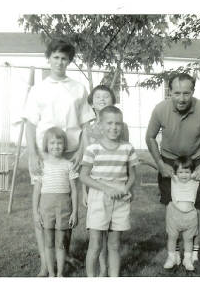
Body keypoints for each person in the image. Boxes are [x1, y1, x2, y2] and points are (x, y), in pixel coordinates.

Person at [23, 38, 95, 276]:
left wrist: (82, 152)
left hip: (71, 152)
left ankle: (65, 254)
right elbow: (31, 124)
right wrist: (33, 153)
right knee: (43, 205)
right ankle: (46, 262)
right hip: (45, 153)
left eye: (64, 58)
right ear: (49, 58)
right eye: (55, 57)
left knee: (66, 204)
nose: (60, 62)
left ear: (69, 61)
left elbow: (86, 124)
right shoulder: (38, 89)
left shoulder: (77, 88)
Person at [145, 72, 200, 264]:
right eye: (176, 93)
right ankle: (174, 252)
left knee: (197, 208)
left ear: (193, 92)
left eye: (186, 93)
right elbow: (150, 137)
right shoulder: (160, 109)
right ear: (169, 91)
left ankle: (194, 252)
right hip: (169, 161)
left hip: (197, 161)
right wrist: (160, 164)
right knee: (172, 207)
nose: (181, 98)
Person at [80, 105, 139, 277]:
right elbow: (84, 176)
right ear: (100, 125)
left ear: (122, 126)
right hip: (99, 196)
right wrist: (106, 188)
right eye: (109, 123)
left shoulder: (127, 148)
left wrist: (126, 189)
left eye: (118, 124)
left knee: (114, 245)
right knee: (96, 244)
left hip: (120, 198)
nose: (114, 127)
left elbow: (132, 175)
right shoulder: (93, 149)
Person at [33, 127, 78, 277]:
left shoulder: (68, 165)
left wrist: (75, 212)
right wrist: (35, 212)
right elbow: (37, 191)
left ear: (64, 145)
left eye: (59, 143)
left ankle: (60, 274)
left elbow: (74, 190)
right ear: (46, 145)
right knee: (49, 243)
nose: (56, 146)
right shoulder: (42, 165)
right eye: (52, 143)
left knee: (61, 243)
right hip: (46, 208)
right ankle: (51, 273)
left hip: (64, 207)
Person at [163, 156, 200, 271]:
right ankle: (171, 258)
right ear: (176, 172)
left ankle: (187, 259)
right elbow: (161, 169)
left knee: (188, 239)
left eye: (187, 172)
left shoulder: (195, 179)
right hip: (174, 214)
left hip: (190, 215)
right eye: (181, 172)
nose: (183, 175)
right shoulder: (174, 178)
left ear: (191, 172)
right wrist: (148, 162)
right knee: (172, 237)